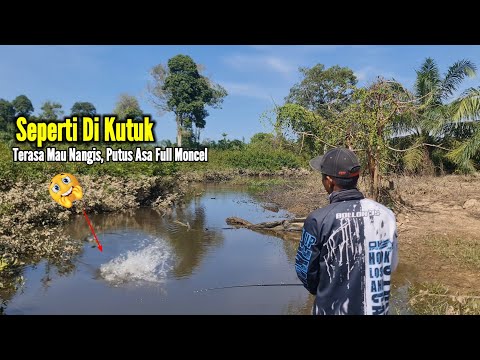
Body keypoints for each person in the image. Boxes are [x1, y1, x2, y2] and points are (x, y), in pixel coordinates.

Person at [295, 147, 398, 315]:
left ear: (329, 181)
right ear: (356, 177)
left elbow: (305, 272)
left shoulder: (318, 219)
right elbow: (390, 265)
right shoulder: (386, 214)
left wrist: (323, 287)